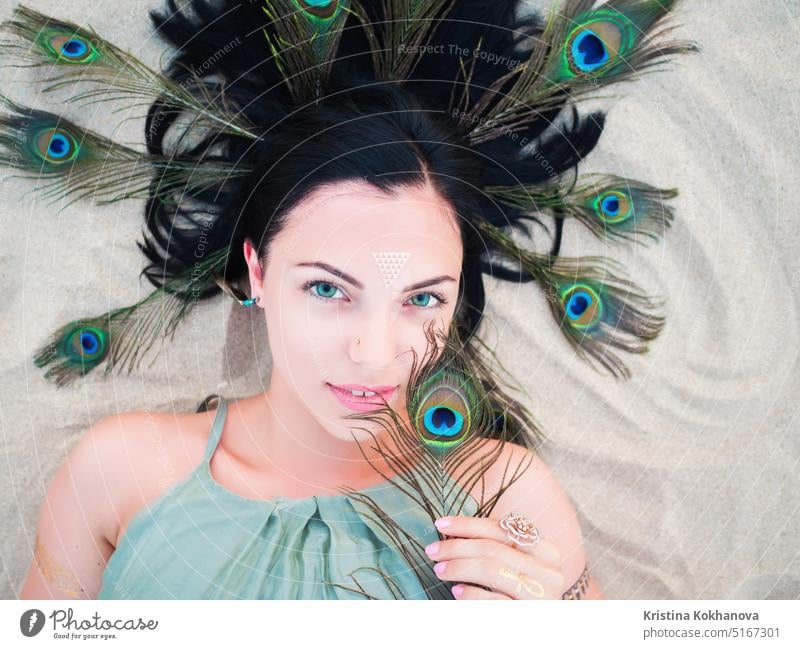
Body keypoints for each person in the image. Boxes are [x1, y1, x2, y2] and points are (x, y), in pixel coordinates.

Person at [4, 0, 695, 599]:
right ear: (255, 273)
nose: (375, 351)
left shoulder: (504, 496)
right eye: (328, 288)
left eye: (422, 297)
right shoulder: (118, 470)